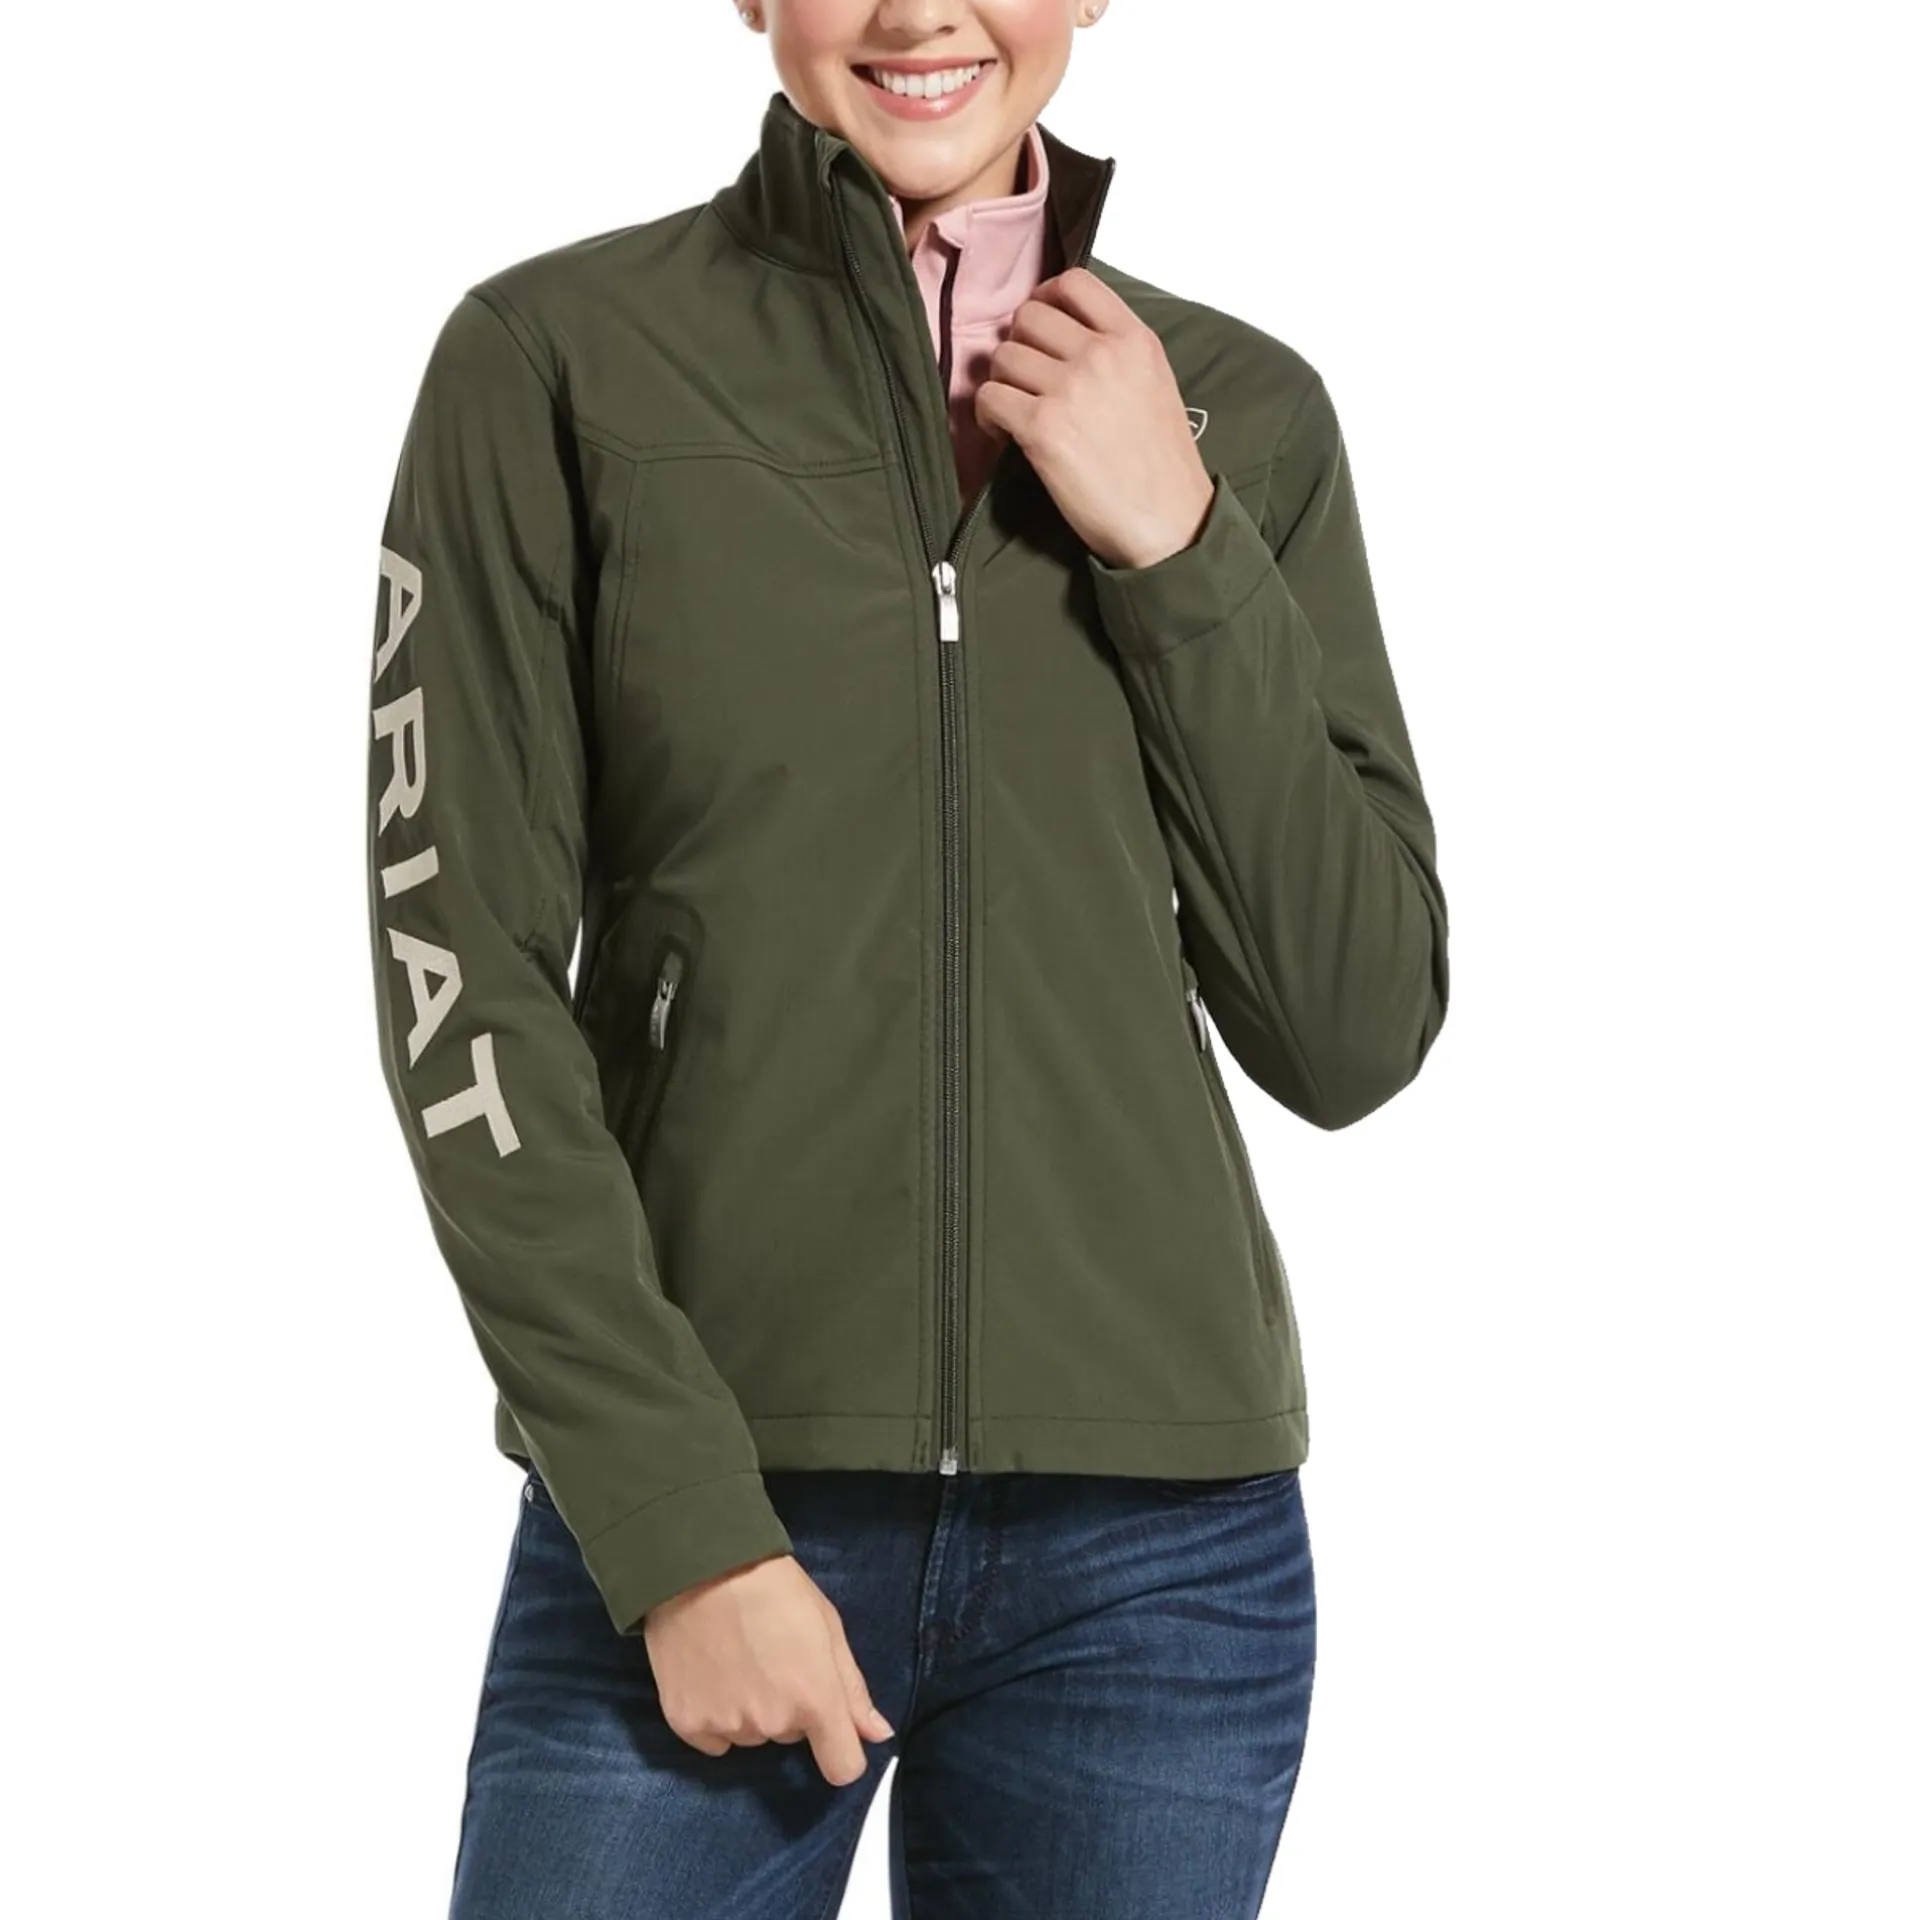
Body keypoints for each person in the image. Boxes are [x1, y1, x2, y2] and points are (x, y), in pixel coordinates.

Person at [363, 2, 1448, 1913]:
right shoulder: (554, 361)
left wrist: (1175, 543)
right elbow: (464, 986)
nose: (920, 12)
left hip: (1161, 1566)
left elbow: (1352, 1028)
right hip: (710, 1500)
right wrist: (683, 1532)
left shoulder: (1238, 409)